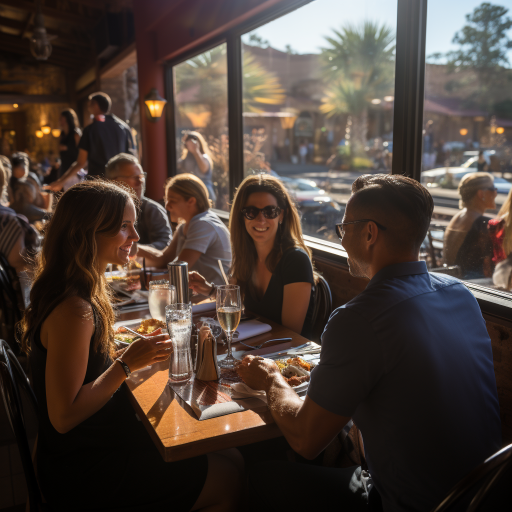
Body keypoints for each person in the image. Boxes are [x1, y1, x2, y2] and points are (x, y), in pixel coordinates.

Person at [237, 174, 501, 512]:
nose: (342, 238)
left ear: (369, 233)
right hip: (484, 493)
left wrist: (271, 379)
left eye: (344, 228)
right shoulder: (459, 292)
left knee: (259, 475)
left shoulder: (358, 318)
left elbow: (306, 440)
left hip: (415, 504)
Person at [20, 180, 242, 511]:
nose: (136, 237)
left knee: (233, 455)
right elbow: (64, 416)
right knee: (230, 476)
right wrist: (125, 366)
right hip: (87, 471)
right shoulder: (74, 309)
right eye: (125, 227)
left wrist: (125, 358)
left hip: (88, 449)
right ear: (88, 232)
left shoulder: (73, 290)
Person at [189, 174, 314, 336]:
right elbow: (236, 305)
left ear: (281, 215)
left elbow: (289, 334)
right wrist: (210, 290)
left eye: (270, 211)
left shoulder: (296, 260)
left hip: (287, 355)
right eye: (251, 212)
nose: (261, 219)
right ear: (242, 217)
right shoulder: (246, 257)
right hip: (257, 347)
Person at [137, 173, 231, 284]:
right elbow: (164, 259)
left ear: (191, 201)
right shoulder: (185, 226)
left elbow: (178, 270)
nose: (167, 206)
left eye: (172, 200)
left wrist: (143, 278)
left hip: (213, 297)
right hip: (196, 295)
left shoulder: (203, 224)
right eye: (166, 200)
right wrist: (133, 248)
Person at [48, 92, 134, 191]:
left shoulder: (90, 130)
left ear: (95, 105)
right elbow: (130, 157)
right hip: (120, 183)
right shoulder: (124, 128)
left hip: (98, 184)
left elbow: (81, 162)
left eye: (90, 104)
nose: (88, 107)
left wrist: (60, 182)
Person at [105, 153, 172, 250]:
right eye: (134, 177)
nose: (140, 182)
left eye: (141, 176)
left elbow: (166, 244)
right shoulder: (102, 210)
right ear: (115, 181)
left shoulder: (152, 210)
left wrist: (129, 249)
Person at [443, 172, 496, 278]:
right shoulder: (483, 223)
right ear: (481, 194)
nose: (496, 192)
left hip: (454, 279)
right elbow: (489, 266)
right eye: (493, 188)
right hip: (473, 283)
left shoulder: (457, 217)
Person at [178, 131, 216, 202]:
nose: (191, 143)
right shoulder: (184, 160)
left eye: (194, 140)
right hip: (190, 195)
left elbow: (204, 169)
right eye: (188, 141)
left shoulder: (204, 157)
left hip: (206, 196)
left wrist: (196, 151)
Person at [59, 108, 82, 176]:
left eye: (61, 118)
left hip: (74, 169)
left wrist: (67, 148)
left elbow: (81, 152)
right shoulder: (62, 134)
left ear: (67, 119)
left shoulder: (76, 134)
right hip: (64, 168)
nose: (59, 120)